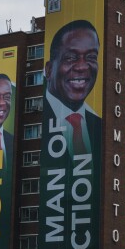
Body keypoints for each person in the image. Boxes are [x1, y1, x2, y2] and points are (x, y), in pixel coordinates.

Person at [45, 20, 101, 155]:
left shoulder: (101, 127)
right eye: (70, 57)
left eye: (91, 57)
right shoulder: (42, 118)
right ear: (49, 70)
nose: (82, 66)